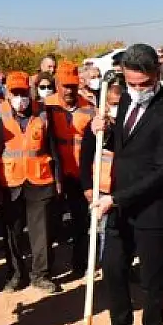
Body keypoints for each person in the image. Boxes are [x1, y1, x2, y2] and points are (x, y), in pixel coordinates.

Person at [84, 44, 163, 325]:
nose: (137, 91)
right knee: (113, 268)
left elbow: (161, 173)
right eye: (132, 84)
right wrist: (101, 130)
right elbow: (124, 144)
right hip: (117, 205)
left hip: (149, 208)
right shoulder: (125, 98)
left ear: (157, 76)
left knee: (151, 278)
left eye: (144, 84)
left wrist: (116, 198)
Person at [0, 71, 61, 293]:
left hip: (40, 181)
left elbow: (53, 147)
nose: (20, 98)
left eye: (23, 93)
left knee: (41, 233)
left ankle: (41, 274)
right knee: (12, 234)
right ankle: (15, 275)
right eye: (15, 93)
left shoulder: (43, 113)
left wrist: (57, 179)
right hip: (9, 183)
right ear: (7, 93)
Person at [46, 63, 95, 277]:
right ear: (57, 85)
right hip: (53, 174)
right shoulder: (46, 107)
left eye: (73, 86)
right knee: (50, 223)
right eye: (65, 86)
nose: (69, 91)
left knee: (80, 222)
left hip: (79, 175)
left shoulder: (89, 107)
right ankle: (47, 267)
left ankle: (80, 264)